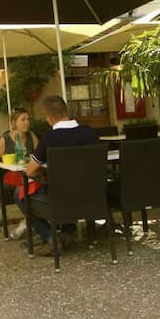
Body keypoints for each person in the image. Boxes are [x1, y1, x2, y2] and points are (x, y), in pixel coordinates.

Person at [21, 96, 98, 256]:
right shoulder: (89, 133)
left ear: (49, 118)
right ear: (66, 112)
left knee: (20, 194)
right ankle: (67, 233)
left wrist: (42, 172)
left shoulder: (49, 138)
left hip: (60, 199)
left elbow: (29, 171)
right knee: (71, 184)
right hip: (91, 196)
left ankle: (50, 237)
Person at [0, 108, 39, 239]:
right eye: (23, 119)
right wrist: (6, 165)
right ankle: (30, 222)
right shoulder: (5, 140)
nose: (27, 122)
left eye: (28, 119)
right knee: (25, 190)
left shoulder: (31, 136)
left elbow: (39, 155)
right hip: (13, 176)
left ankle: (28, 221)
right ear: (14, 122)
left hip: (30, 173)